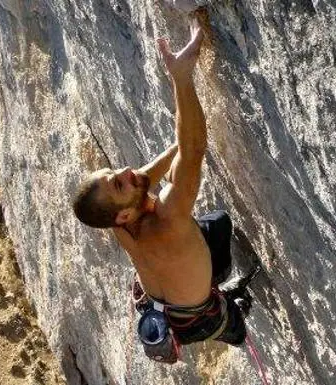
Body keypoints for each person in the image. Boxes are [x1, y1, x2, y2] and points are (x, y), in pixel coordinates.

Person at [72, 10, 252, 363]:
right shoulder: (169, 216)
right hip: (197, 316)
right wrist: (181, 79)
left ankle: (208, 287)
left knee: (207, 225)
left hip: (159, 306)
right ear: (124, 212)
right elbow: (195, 150)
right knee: (219, 225)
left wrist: (176, 146)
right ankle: (234, 314)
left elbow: (145, 177)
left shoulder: (116, 220)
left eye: (114, 172)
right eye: (118, 182)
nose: (127, 170)